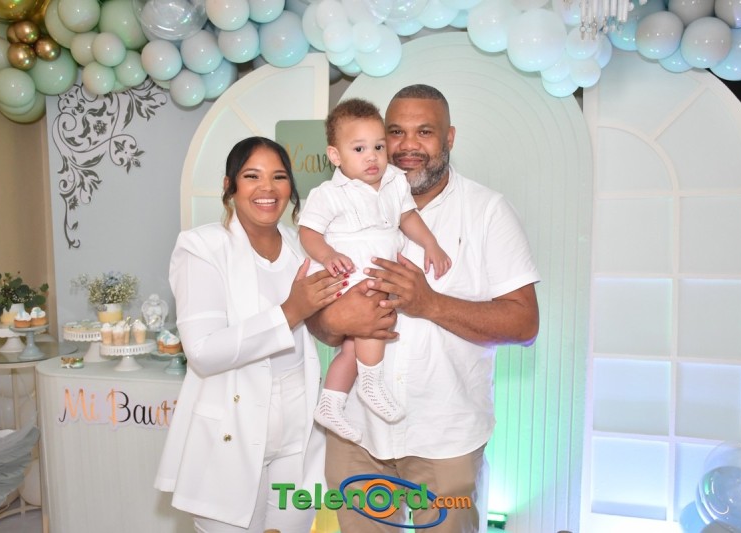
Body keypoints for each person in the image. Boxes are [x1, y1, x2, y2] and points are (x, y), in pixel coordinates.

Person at [307, 85, 541, 532]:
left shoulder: (488, 211)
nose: (407, 145)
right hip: (356, 435)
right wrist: (334, 319)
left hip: (444, 440)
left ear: (449, 137)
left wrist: (429, 303)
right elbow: (316, 314)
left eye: (425, 132)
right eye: (395, 132)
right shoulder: (339, 204)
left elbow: (525, 322)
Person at [153, 137, 376, 533]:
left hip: (299, 429)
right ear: (229, 186)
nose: (267, 188)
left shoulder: (302, 249)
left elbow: (325, 331)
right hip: (230, 431)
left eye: (279, 177)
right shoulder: (202, 247)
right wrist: (290, 311)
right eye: (252, 176)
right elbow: (203, 351)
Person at [298, 98, 451, 443]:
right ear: (335, 155)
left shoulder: (395, 181)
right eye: (359, 149)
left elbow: (408, 217)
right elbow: (308, 232)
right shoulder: (329, 193)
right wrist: (328, 254)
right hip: (349, 273)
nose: (372, 157)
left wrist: (431, 244)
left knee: (352, 347)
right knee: (373, 320)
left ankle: (330, 402)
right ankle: (371, 382)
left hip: (374, 271)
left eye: (379, 147)